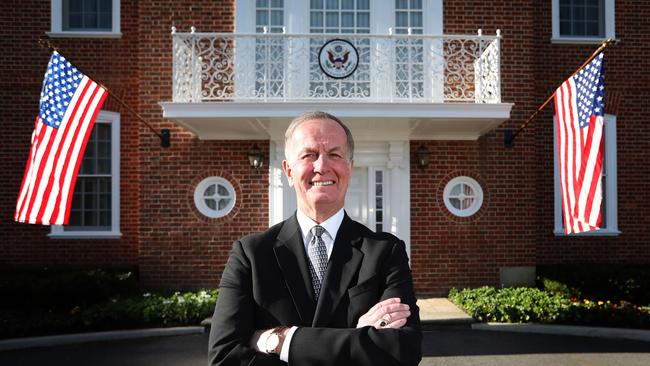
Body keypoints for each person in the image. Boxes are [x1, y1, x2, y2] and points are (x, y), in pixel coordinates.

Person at [208, 111, 422, 366]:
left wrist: (281, 341)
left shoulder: (386, 252)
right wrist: (357, 336)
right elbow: (225, 358)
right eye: (309, 155)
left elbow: (402, 350)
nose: (322, 166)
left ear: (349, 168)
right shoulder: (251, 255)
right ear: (288, 171)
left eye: (334, 154)